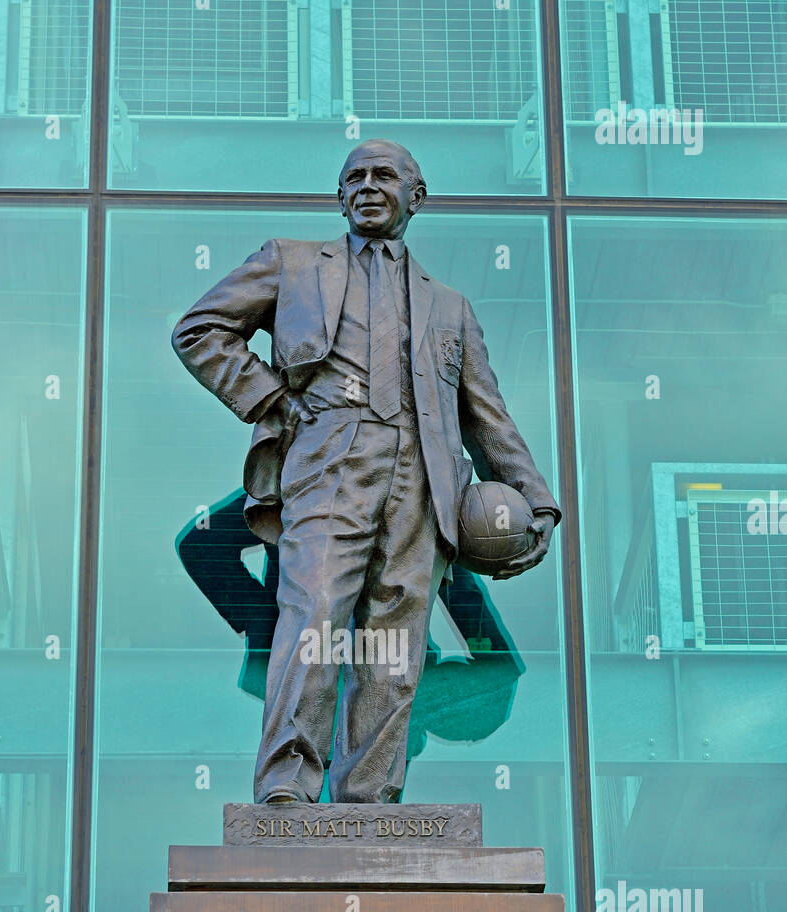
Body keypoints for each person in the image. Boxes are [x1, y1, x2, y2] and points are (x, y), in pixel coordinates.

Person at [171, 139, 560, 804]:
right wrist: (271, 400)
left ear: (418, 196)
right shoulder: (290, 264)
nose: (368, 187)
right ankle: (286, 793)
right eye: (354, 178)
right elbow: (200, 330)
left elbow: (488, 417)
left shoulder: (451, 308)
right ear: (340, 196)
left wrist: (536, 498)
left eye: (385, 176)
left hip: (422, 474)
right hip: (330, 457)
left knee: (395, 641)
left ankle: (370, 802)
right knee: (314, 615)